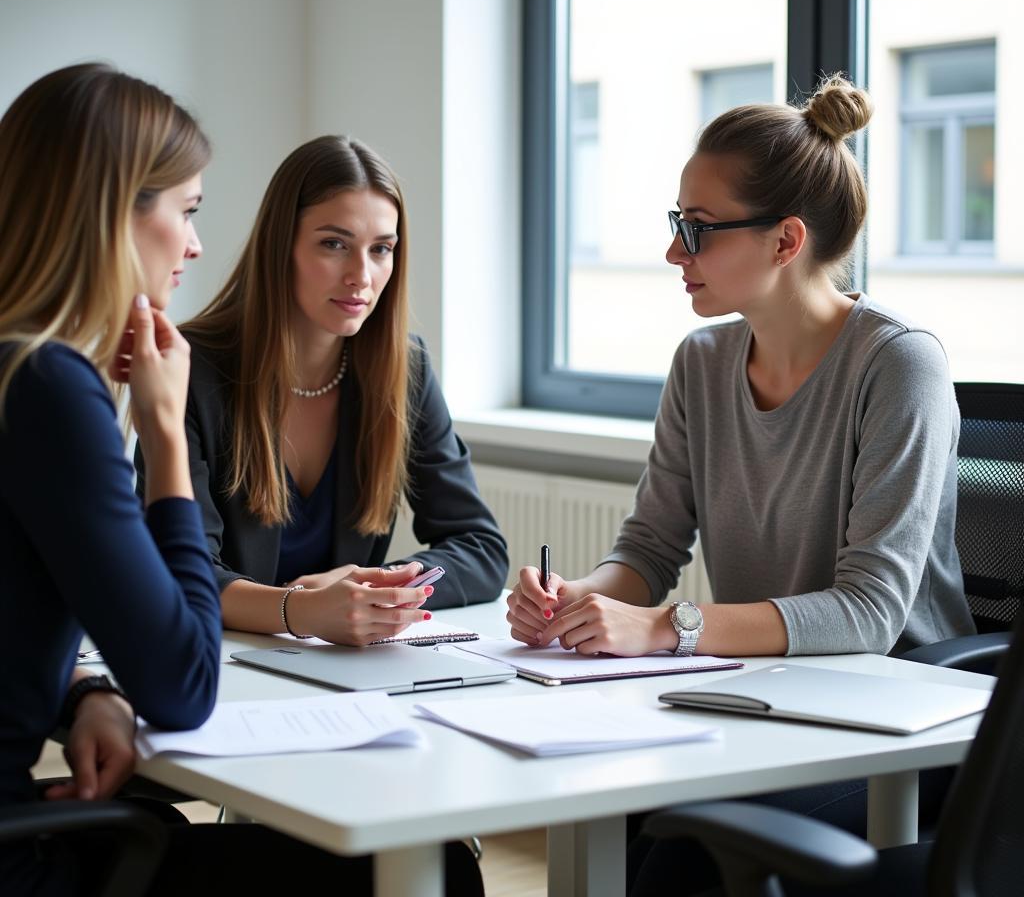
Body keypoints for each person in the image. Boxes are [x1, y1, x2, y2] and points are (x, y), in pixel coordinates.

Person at [0, 65, 483, 897]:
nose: (192, 243)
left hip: (39, 812)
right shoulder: (51, 389)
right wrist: (160, 429)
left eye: (382, 248)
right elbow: (184, 686)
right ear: (110, 212)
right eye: (184, 211)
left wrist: (83, 696)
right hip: (21, 859)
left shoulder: (24, 372)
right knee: (430, 871)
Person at [505, 74, 975, 895]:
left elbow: (870, 613)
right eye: (676, 224)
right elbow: (650, 549)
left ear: (786, 241)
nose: (674, 253)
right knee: (603, 806)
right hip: (767, 704)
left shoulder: (900, 365)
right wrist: (578, 602)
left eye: (698, 230)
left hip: (902, 722)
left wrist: (663, 628)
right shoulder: (702, 363)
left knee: (686, 854)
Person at [137, 135, 507, 645]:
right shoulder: (188, 366)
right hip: (223, 663)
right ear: (281, 245)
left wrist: (370, 588)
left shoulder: (407, 369)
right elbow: (181, 572)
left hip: (346, 675)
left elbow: (480, 547)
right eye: (334, 244)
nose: (361, 276)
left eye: (381, 249)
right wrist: (302, 611)